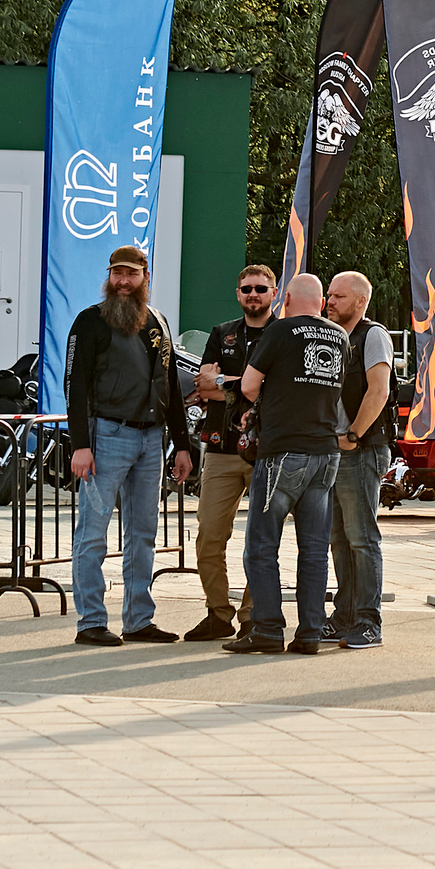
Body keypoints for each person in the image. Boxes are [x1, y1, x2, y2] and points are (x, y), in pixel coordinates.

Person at [64, 245, 196, 647]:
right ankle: (90, 621)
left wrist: (183, 445)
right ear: (109, 276)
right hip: (106, 434)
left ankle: (139, 619)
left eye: (131, 274)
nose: (123, 281)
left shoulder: (158, 321)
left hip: (151, 438)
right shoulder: (90, 321)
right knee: (93, 533)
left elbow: (170, 385)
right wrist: (80, 444)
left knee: (143, 533)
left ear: (145, 277)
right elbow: (75, 385)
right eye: (117, 274)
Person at [226, 274, 346, 657]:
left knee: (262, 546)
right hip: (325, 452)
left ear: (287, 298)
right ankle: (310, 631)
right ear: (321, 302)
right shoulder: (340, 337)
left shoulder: (279, 331)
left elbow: (248, 386)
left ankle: (267, 628)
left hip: (283, 451)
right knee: (314, 549)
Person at [182, 264, 277, 641]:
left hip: (266, 448)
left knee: (262, 538)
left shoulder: (284, 333)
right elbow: (203, 387)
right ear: (238, 293)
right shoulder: (222, 333)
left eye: (260, 288)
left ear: (274, 293)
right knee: (208, 534)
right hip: (221, 447)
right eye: (247, 288)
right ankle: (218, 613)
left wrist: (224, 381)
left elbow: (275, 388)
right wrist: (247, 385)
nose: (253, 294)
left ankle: (252, 615)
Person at [322, 270, 394, 651]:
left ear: (361, 302)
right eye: (329, 295)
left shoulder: (372, 336)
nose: (330, 302)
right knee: (339, 538)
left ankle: (368, 622)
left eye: (339, 296)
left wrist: (353, 436)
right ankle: (344, 617)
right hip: (334, 452)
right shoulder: (330, 336)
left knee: (362, 538)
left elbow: (379, 390)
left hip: (360, 451)